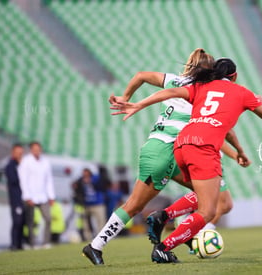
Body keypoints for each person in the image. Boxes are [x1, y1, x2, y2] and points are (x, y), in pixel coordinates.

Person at [82, 49, 247, 265]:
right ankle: (96, 245)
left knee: (213, 197)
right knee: (134, 205)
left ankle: (174, 225)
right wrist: (238, 153)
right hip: (162, 152)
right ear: (209, 71)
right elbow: (222, 129)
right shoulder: (204, 91)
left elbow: (141, 75)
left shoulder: (175, 80)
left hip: (172, 151)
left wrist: (126, 97)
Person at [112, 58, 262, 263]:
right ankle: (164, 248)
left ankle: (164, 215)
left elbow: (170, 92)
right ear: (234, 76)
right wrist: (260, 103)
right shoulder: (243, 92)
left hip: (182, 144)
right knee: (208, 211)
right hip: (204, 148)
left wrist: (139, 104)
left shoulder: (200, 86)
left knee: (206, 197)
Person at [18, 141, 55, 249]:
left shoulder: (45, 162)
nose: (37, 151)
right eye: (34, 149)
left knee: (48, 219)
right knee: (30, 222)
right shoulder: (26, 162)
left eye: (38, 149)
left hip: (43, 196)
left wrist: (51, 196)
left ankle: (46, 242)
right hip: (30, 196)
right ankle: (31, 243)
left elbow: (49, 180)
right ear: (31, 150)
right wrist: (27, 196)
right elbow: (23, 180)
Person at [5, 143, 25, 251]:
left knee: (22, 222)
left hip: (24, 198)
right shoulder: (10, 166)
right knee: (17, 221)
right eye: (18, 153)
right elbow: (13, 180)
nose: (20, 155)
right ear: (13, 153)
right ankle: (13, 244)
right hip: (16, 198)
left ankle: (20, 244)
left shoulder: (23, 164)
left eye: (21, 153)